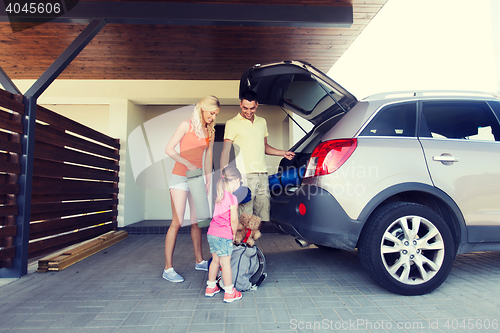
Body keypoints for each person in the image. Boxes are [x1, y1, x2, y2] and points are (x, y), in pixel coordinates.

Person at [163, 95, 220, 283]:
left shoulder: (210, 131)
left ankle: (199, 261)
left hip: (197, 179)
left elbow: (209, 156)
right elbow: (169, 149)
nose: (213, 117)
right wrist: (188, 163)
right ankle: (168, 269)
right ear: (203, 109)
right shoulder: (185, 125)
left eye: (216, 114)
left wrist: (208, 179)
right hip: (180, 177)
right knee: (177, 223)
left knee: (197, 222)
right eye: (212, 113)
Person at [220, 90, 295, 221]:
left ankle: (253, 242)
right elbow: (225, 151)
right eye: (245, 108)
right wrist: (224, 175)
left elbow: (264, 146)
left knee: (261, 215)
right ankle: (244, 241)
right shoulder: (232, 123)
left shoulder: (262, 122)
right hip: (244, 175)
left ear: (257, 105)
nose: (249, 112)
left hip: (262, 175)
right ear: (240, 105)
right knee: (245, 215)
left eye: (252, 108)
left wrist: (282, 153)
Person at [205, 166, 243, 303]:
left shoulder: (219, 195)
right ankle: (229, 292)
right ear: (236, 180)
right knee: (225, 263)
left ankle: (210, 287)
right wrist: (233, 234)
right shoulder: (232, 198)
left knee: (215, 261)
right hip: (223, 235)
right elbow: (233, 219)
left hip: (212, 233)